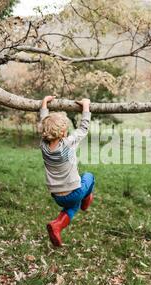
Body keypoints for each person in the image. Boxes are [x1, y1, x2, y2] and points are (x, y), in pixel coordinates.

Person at [39, 96, 95, 247]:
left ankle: (57, 226)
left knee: (72, 207)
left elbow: (43, 122)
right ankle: (87, 199)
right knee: (89, 176)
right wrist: (86, 107)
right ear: (63, 133)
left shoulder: (43, 145)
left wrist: (44, 103)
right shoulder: (68, 144)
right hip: (74, 192)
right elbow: (83, 128)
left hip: (57, 196)